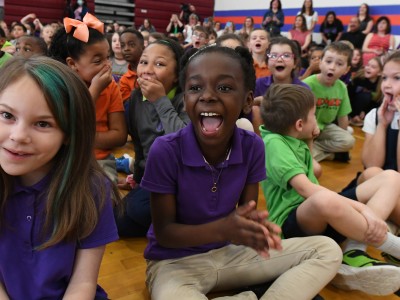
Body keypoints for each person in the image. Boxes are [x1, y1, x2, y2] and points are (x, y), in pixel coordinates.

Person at [141, 45, 342, 300]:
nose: (208, 96)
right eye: (195, 88)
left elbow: (246, 213)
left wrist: (257, 230)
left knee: (327, 249)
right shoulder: (165, 150)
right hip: (174, 264)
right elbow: (165, 233)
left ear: (248, 101)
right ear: (185, 97)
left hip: (232, 255)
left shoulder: (253, 146)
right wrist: (224, 229)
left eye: (224, 88)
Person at [260, 83, 400, 296]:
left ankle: (355, 250)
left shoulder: (289, 137)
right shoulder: (274, 145)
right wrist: (363, 210)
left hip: (315, 213)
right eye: (314, 115)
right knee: (324, 199)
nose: (317, 120)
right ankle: (392, 245)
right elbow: (307, 191)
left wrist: (308, 139)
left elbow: (314, 171)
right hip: (292, 224)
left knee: (391, 178)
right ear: (299, 124)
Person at [0, 56, 120, 299]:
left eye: (43, 124)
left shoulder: (92, 190)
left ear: (68, 133)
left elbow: (83, 283)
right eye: (7, 115)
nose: (19, 135)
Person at [114, 38, 190, 237]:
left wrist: (160, 101)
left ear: (176, 76)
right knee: (119, 221)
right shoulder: (136, 99)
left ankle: (193, 220)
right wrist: (138, 180)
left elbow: (185, 144)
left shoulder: (188, 100)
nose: (147, 69)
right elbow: (140, 145)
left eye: (159, 64)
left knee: (138, 209)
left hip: (185, 179)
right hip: (155, 178)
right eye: (144, 62)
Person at [49, 13, 127, 183]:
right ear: (72, 64)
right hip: (63, 159)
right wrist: (94, 91)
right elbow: (64, 129)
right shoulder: (59, 87)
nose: (107, 65)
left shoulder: (111, 86)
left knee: (102, 194)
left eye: (108, 57)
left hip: (100, 161)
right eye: (97, 61)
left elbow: (119, 136)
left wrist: (75, 139)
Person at [303, 42, 355, 162]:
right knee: (304, 160)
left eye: (339, 64)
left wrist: (344, 139)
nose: (332, 67)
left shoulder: (342, 87)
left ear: (346, 70)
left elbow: (343, 117)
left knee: (349, 140)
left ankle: (317, 149)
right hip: (307, 129)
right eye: (328, 61)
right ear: (320, 63)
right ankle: (331, 155)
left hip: (325, 127)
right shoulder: (308, 84)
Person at [361, 50, 400, 172]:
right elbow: (371, 166)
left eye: (397, 78)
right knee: (373, 172)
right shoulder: (375, 115)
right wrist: (382, 125)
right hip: (376, 182)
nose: (387, 85)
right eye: (384, 77)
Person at [348, 56, 383, 126]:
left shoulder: (380, 86)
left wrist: (365, 112)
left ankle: (362, 120)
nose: (368, 68)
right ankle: (352, 118)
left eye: (373, 67)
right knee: (365, 96)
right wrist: (353, 114)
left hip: (365, 111)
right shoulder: (358, 79)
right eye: (368, 65)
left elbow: (376, 103)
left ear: (379, 73)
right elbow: (348, 97)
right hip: (351, 107)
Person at [119, 28, 144, 102]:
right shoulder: (124, 80)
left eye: (131, 45)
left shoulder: (151, 71)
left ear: (143, 48)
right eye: (122, 45)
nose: (126, 49)